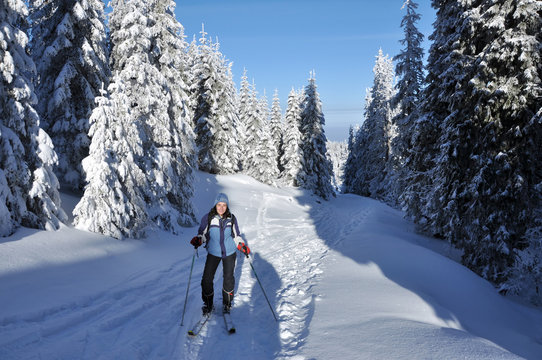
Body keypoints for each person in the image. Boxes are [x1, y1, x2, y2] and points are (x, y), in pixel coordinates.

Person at [190, 193, 250, 315]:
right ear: (215, 205)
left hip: (229, 252)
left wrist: (241, 245)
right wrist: (199, 240)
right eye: (219, 205)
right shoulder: (208, 218)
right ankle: (208, 304)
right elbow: (203, 234)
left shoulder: (231, 218)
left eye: (224, 205)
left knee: (228, 279)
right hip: (213, 252)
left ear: (227, 206)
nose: (221, 208)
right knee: (206, 279)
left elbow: (236, 236)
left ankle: (227, 304)